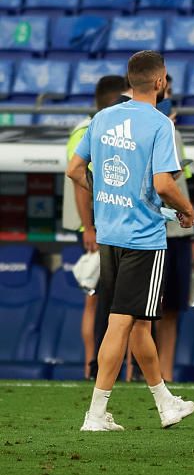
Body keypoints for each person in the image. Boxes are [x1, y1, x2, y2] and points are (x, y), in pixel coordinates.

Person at [66, 50, 194, 431]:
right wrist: (186, 209)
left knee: (139, 324)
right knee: (122, 323)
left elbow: (75, 169)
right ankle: (95, 413)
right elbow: (163, 183)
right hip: (143, 237)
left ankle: (165, 403)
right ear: (160, 82)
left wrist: (104, 190)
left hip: (109, 233)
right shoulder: (159, 125)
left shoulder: (102, 118)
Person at [62, 74, 127, 378]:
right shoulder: (88, 130)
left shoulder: (100, 126)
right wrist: (89, 227)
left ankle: (100, 366)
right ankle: (92, 364)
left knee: (106, 301)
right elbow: (79, 180)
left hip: (105, 225)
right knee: (95, 299)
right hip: (95, 228)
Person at [157, 73, 194, 382]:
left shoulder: (174, 132)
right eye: (165, 90)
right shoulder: (147, 131)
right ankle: (137, 374)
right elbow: (162, 184)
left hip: (179, 234)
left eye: (171, 90)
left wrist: (191, 234)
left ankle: (166, 375)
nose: (168, 97)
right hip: (153, 231)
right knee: (143, 312)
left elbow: (180, 183)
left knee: (172, 309)